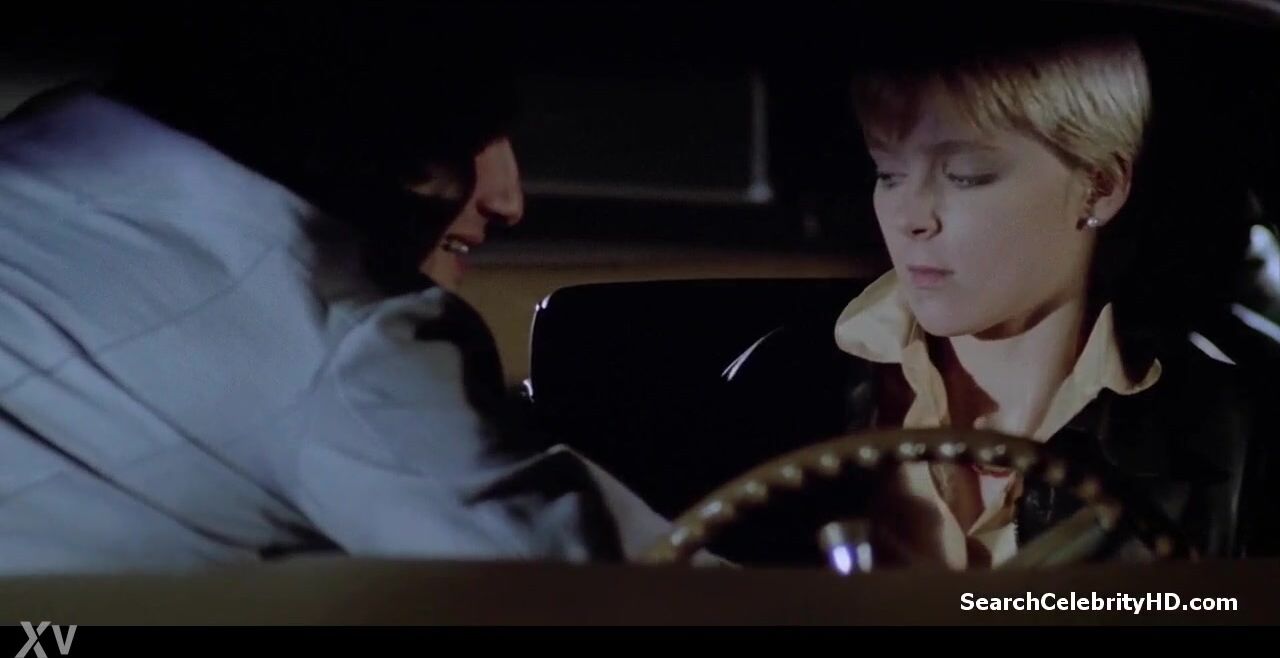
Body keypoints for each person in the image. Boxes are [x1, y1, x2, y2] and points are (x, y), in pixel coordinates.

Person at [0, 8, 674, 574]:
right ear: (362, 126)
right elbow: (591, 596)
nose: (508, 200)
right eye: (467, 137)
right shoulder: (338, 330)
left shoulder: (35, 168)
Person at [822, 28, 1276, 568]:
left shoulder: (1234, 437)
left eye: (966, 176)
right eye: (889, 174)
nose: (910, 217)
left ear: (1098, 187)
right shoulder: (786, 390)